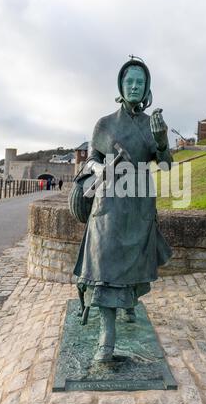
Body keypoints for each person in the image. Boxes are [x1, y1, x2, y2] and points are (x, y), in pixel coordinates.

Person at [73, 57, 173, 362]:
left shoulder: (151, 124)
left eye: (140, 83)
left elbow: (167, 164)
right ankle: (107, 335)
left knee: (134, 266)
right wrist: (100, 169)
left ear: (146, 89)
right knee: (103, 264)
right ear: (120, 85)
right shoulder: (104, 124)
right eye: (129, 81)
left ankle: (130, 305)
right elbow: (90, 160)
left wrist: (161, 140)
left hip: (140, 203)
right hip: (109, 204)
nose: (134, 86)